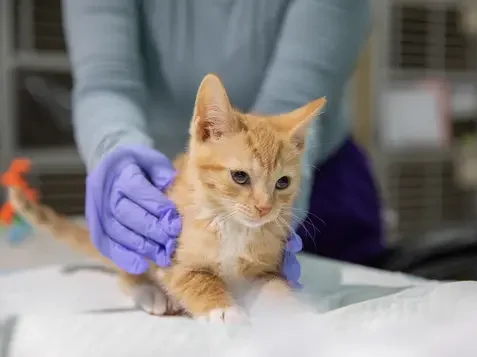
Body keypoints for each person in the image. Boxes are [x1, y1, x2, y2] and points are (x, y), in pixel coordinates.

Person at [63, 0, 382, 284]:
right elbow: (107, 81)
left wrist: (272, 221)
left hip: (314, 180)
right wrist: (116, 154)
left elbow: (294, 102)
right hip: (172, 182)